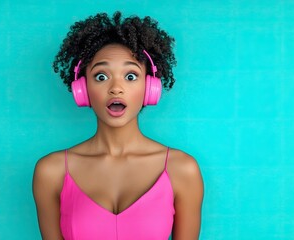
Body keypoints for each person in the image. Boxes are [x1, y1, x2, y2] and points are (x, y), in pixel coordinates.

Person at [32, 11, 203, 240]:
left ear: (149, 87)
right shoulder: (51, 172)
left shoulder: (182, 170)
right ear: (82, 90)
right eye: (101, 76)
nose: (116, 88)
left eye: (130, 76)